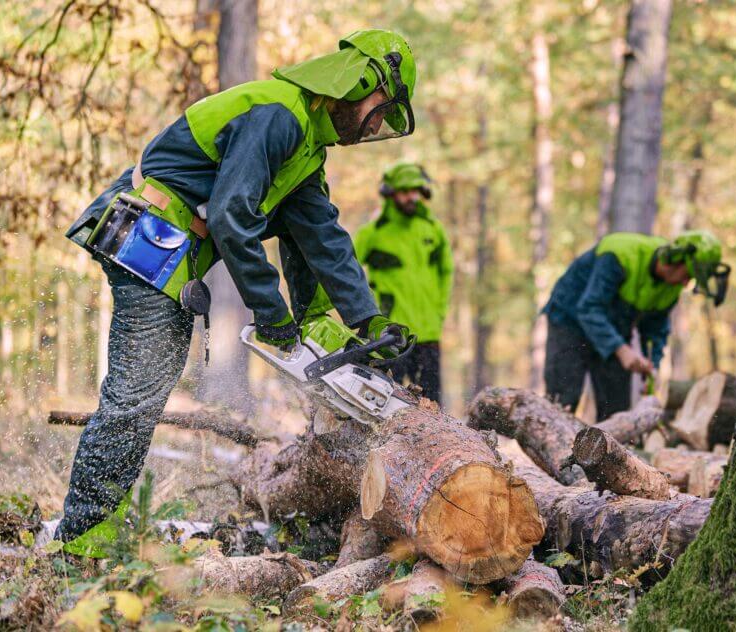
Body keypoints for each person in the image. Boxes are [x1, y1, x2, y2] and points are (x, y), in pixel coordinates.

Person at [56, 29, 418, 556]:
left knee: (143, 395)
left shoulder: (306, 150)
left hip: (170, 251)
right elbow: (230, 215)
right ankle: (80, 535)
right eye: (378, 111)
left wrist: (367, 322)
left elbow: (322, 238)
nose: (374, 127)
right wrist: (271, 313)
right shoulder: (278, 115)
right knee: (136, 397)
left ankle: (91, 527)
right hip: (147, 235)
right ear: (360, 82)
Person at [541, 230, 729, 421]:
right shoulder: (621, 255)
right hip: (570, 320)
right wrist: (622, 350)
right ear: (675, 259)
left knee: (615, 408)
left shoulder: (672, 288)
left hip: (613, 329)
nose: (686, 282)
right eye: (688, 274)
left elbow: (655, 330)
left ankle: (607, 448)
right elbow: (589, 308)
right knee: (563, 398)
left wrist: (651, 367)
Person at [354, 163, 453, 403]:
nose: (411, 197)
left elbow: (446, 272)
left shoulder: (433, 230)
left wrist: (439, 312)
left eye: (415, 191)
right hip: (391, 334)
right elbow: (348, 268)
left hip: (428, 333)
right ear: (391, 192)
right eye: (404, 191)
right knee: (388, 398)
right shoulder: (374, 234)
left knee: (432, 403)